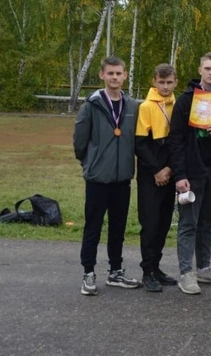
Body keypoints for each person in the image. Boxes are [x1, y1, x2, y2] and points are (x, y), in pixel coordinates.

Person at [74, 56, 141, 296]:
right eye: (110, 73)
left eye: (118, 73)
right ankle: (88, 273)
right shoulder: (91, 105)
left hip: (122, 179)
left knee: (118, 227)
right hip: (97, 179)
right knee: (93, 226)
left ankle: (115, 271)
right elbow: (80, 142)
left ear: (125, 76)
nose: (114, 77)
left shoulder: (133, 106)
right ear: (102, 75)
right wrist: (91, 164)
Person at [169, 52, 211, 295]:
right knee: (188, 222)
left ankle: (204, 267)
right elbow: (176, 139)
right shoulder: (185, 101)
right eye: (208, 68)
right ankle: (186, 273)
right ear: (200, 69)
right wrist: (179, 174)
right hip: (191, 171)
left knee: (208, 221)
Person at [135, 63, 179, 292]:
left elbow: (178, 142)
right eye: (161, 82)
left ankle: (157, 266)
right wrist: (157, 170)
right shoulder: (146, 107)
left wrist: (170, 169)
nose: (165, 86)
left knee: (163, 223)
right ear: (154, 81)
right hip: (150, 172)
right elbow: (140, 145)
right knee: (150, 223)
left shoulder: (177, 105)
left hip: (169, 170)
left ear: (175, 83)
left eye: (169, 82)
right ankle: (147, 270)